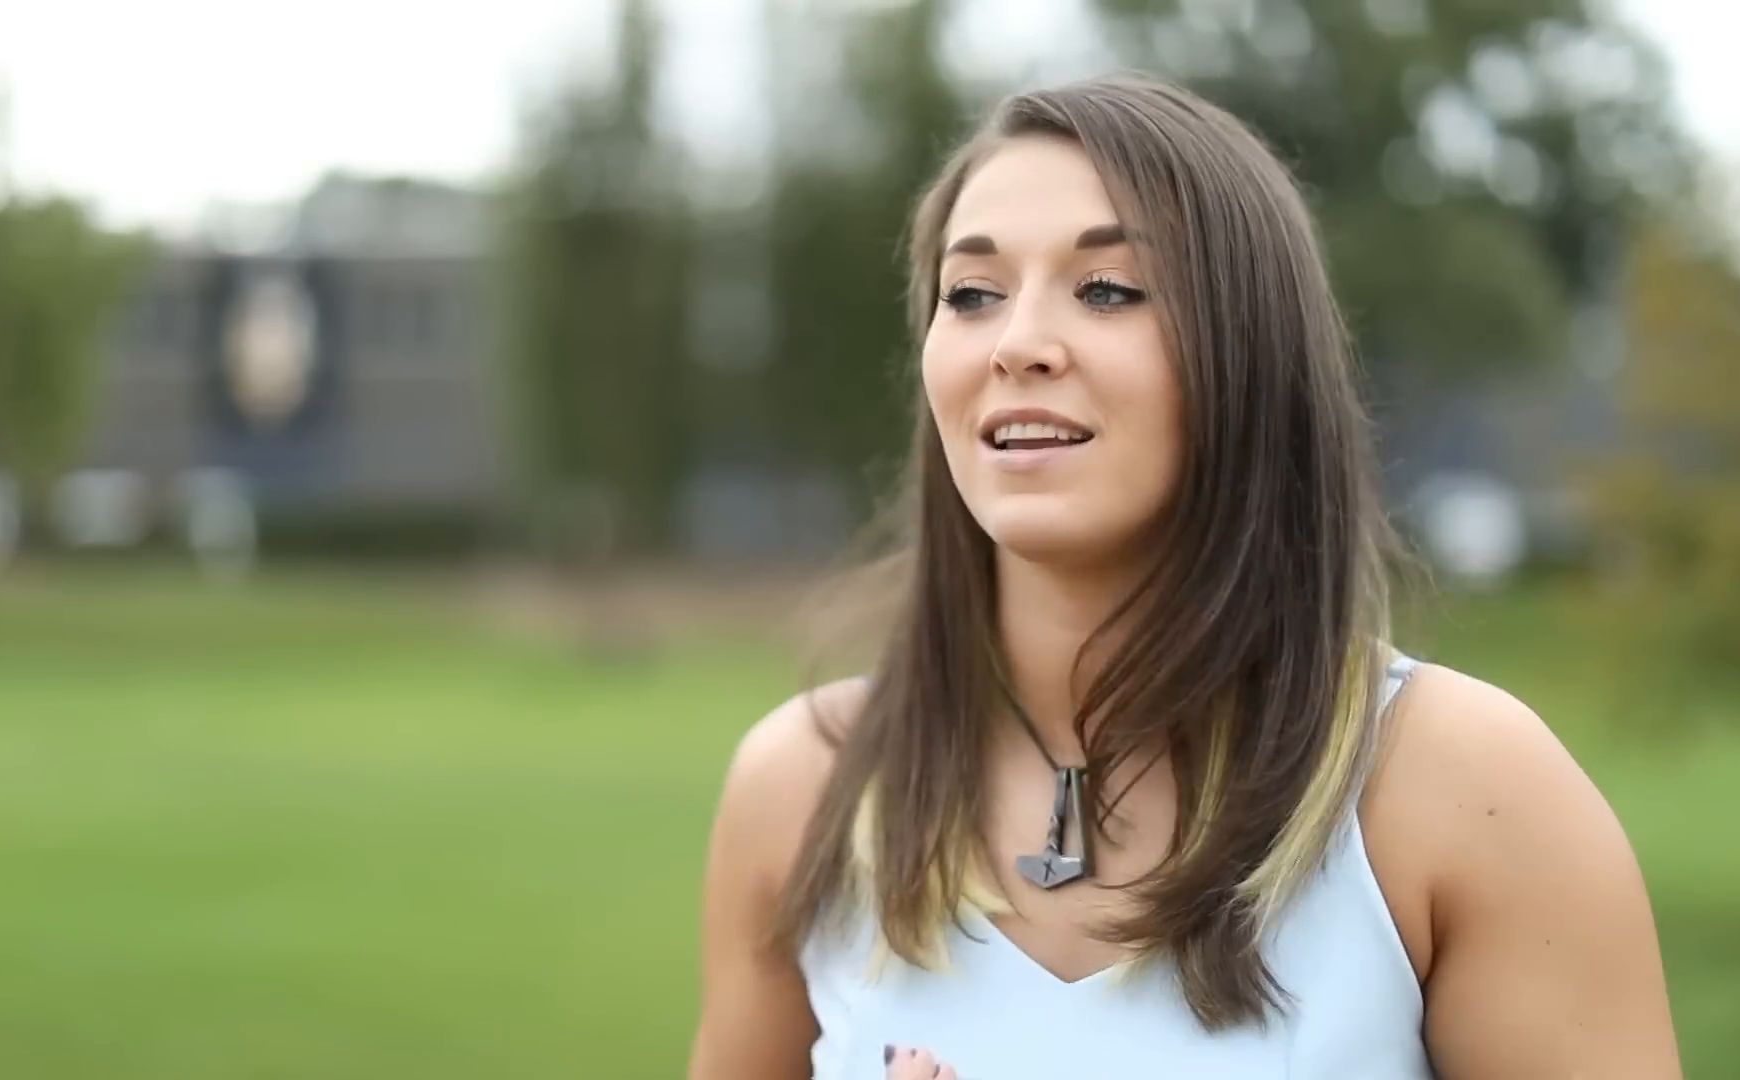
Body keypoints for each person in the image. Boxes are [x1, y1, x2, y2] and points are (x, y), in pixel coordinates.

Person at [687, 73, 1680, 1080]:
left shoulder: (1459, 788)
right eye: (973, 294)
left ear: (1249, 353)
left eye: (1108, 289)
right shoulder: (802, 790)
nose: (1018, 345)